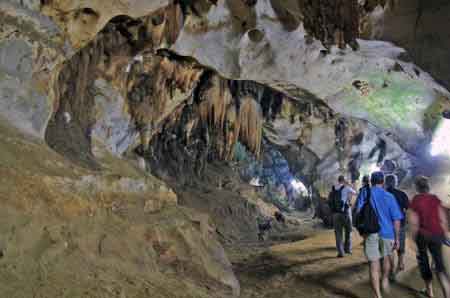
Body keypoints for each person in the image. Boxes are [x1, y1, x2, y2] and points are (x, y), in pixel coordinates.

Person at [355, 171, 403, 298]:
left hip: (370, 233)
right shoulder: (389, 196)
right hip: (387, 233)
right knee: (386, 258)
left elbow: (358, 211)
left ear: (371, 181)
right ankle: (385, 278)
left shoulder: (365, 193)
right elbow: (397, 219)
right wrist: (397, 238)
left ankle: (377, 295)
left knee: (373, 264)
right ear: (383, 182)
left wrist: (362, 231)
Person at [408, 176, 450, 298]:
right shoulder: (435, 198)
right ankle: (447, 294)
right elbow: (442, 219)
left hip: (423, 235)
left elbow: (413, 221)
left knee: (423, 261)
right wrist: (444, 233)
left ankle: (429, 291)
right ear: (428, 186)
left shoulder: (416, 199)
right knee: (439, 265)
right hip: (437, 234)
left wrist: (412, 238)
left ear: (416, 187)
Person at [385, 174, 409, 279]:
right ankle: (400, 263)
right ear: (396, 182)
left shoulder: (383, 194)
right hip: (400, 224)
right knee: (401, 245)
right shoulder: (402, 194)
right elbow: (407, 208)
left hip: (387, 225)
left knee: (389, 248)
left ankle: (391, 269)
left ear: (386, 182)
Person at [332, 175, 357, 257]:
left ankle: (340, 252)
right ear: (344, 180)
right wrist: (349, 185)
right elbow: (355, 193)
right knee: (348, 230)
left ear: (338, 180)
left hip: (335, 213)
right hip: (345, 213)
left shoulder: (333, 188)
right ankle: (348, 249)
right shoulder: (346, 188)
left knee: (338, 233)